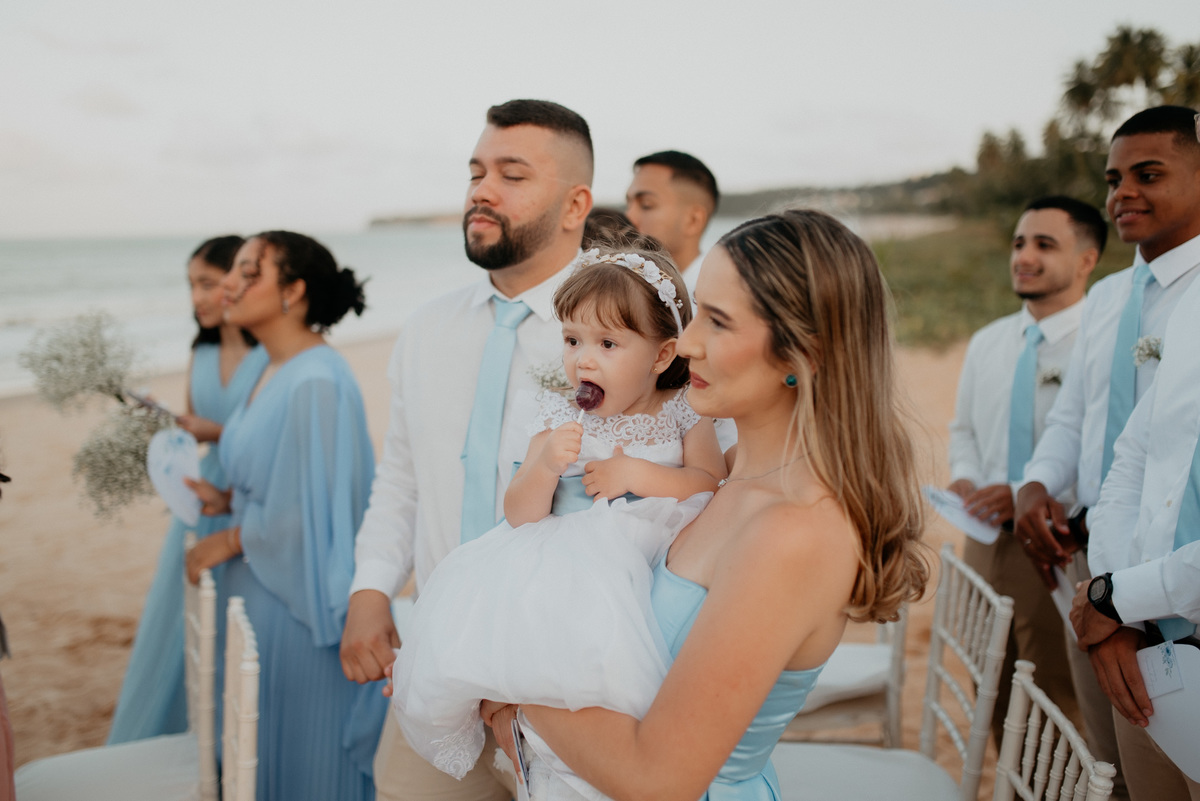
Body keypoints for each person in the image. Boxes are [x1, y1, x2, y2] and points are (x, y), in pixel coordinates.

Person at [483, 209, 930, 801]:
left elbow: (660, 778)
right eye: (696, 312)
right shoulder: (737, 471)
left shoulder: (795, 532)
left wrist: (508, 701)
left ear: (806, 352)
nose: (687, 343)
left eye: (717, 323)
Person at [390, 247, 725, 799]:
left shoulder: (683, 409)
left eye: (608, 344)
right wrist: (546, 465)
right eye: (572, 341)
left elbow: (709, 482)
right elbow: (519, 514)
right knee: (562, 678)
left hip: (652, 572)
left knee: (631, 694)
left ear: (663, 354)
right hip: (568, 571)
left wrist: (639, 473)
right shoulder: (560, 414)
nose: (583, 361)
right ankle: (543, 755)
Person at [339, 99, 594, 801]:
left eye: (512, 174)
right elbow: (401, 478)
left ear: (575, 205)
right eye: (476, 171)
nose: (482, 189)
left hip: (573, 681)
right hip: (439, 664)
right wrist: (370, 588)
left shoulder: (623, 330)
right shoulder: (426, 329)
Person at [1015, 105, 1200, 793]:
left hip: (1176, 577)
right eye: (1113, 177)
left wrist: (1126, 601)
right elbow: (1081, 418)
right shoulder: (1108, 298)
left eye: (1147, 174)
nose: (1122, 193)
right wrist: (1037, 482)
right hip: (1094, 557)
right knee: (1113, 767)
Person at [184, 231, 383, 801]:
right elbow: (289, 480)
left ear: (293, 291)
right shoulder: (272, 366)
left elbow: (313, 514)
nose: (229, 283)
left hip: (294, 602)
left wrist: (224, 541)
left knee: (300, 761)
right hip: (260, 583)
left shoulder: (317, 379)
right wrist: (225, 501)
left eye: (249, 272)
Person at [946, 196, 1103, 744]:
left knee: (1053, 695)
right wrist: (965, 476)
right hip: (983, 538)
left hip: (1053, 542)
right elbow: (962, 429)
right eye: (1019, 243)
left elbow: (1097, 447)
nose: (1024, 256)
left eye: (1044, 244)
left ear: (1087, 259)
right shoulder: (989, 341)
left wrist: (1019, 490)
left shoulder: (1098, 344)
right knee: (988, 679)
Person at [107, 235, 268, 744]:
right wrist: (164, 423)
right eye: (190, 286)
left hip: (251, 493)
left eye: (206, 283)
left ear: (236, 282)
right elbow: (193, 427)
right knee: (179, 626)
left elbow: (268, 435)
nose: (196, 298)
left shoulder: (271, 357)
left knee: (240, 626)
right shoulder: (200, 353)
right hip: (201, 500)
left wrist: (215, 432)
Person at [625, 151, 719, 296]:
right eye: (629, 204)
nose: (629, 216)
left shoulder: (715, 299)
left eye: (646, 204)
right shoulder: (629, 289)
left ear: (693, 220)